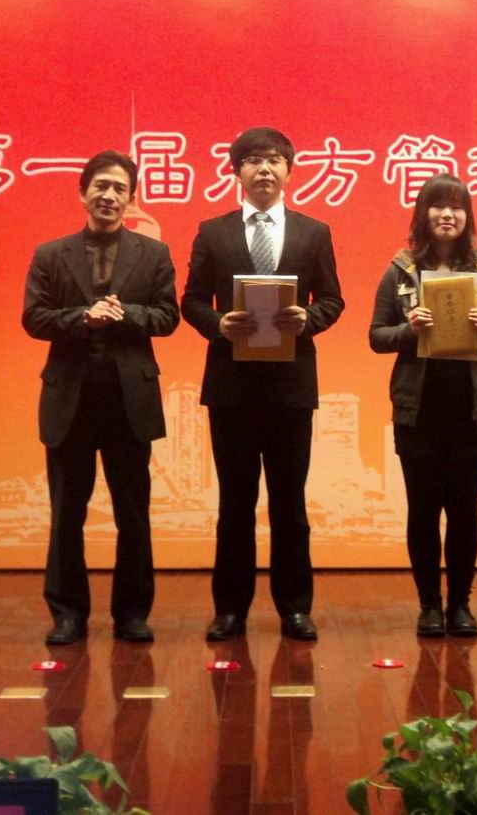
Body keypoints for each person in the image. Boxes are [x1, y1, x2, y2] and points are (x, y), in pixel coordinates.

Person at [181, 126, 345, 642]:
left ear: (289, 170)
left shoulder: (313, 232)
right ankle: (229, 609)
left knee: (289, 503)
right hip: (231, 387)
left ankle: (295, 607)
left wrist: (309, 319)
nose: (264, 169)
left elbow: (333, 300)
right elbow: (191, 300)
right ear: (237, 172)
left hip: (290, 387)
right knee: (235, 503)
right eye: (253, 160)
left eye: (274, 159)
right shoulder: (213, 232)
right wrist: (218, 324)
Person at [22, 150, 180, 646]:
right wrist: (82, 317)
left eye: (119, 188)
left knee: (133, 513)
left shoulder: (153, 254)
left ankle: (132, 614)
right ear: (83, 193)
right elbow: (34, 318)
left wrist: (125, 313)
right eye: (101, 186)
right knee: (67, 513)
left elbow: (167, 318)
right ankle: (67, 614)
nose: (109, 196)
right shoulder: (51, 254)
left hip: (129, 402)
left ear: (131, 198)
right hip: (69, 400)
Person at [369, 174, 477, 638]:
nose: (448, 215)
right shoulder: (401, 269)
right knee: (424, 510)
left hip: (471, 407)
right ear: (422, 214)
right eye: (438, 206)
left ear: (467, 215)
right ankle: (429, 604)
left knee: (465, 511)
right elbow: (376, 336)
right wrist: (408, 329)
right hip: (418, 408)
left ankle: (461, 605)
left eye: (457, 207)